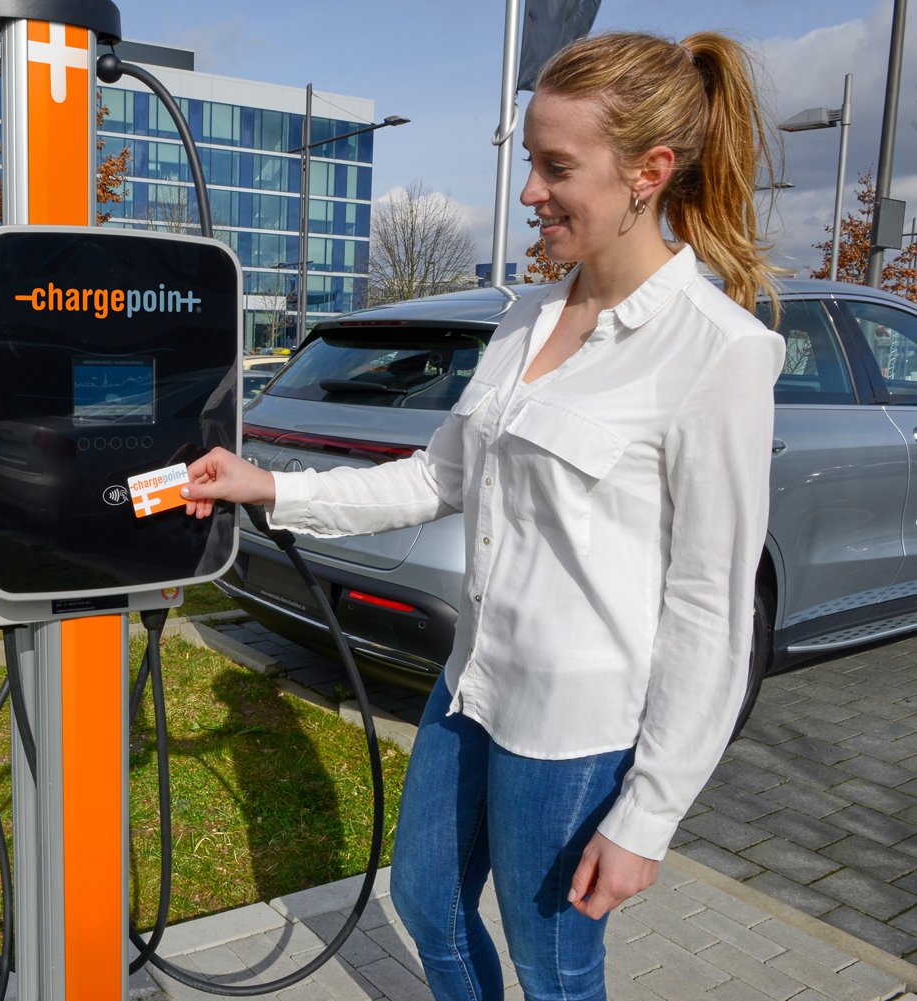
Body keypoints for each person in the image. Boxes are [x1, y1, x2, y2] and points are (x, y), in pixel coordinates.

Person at [181, 30, 786, 1001]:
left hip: (577, 726)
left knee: (553, 961)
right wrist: (269, 486)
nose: (529, 191)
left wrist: (649, 814)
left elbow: (713, 608)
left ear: (649, 172)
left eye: (556, 166)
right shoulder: (525, 319)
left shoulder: (717, 349)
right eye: (532, 162)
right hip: (473, 683)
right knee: (427, 902)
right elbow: (433, 478)